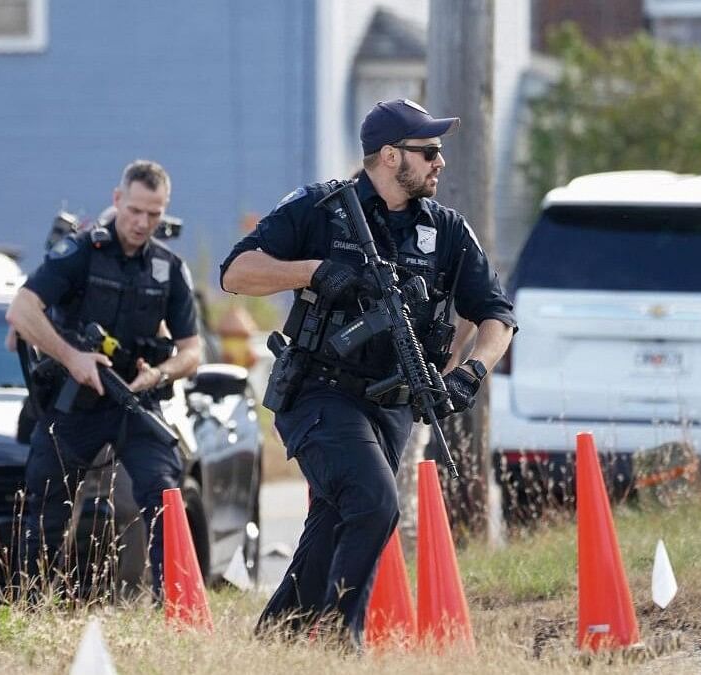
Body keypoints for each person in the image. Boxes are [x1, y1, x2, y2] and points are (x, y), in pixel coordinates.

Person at [219, 99, 516, 645]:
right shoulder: (319, 208)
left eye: (439, 152)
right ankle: (340, 640)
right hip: (318, 393)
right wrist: (314, 271)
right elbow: (236, 273)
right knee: (377, 504)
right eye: (428, 152)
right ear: (388, 156)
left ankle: (274, 644)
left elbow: (496, 314)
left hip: (393, 406)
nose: (439, 162)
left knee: (335, 524)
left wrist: (469, 373)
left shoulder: (446, 230)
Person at [6, 159, 202, 595]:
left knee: (164, 492)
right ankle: (33, 606)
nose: (142, 222)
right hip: (75, 401)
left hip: (134, 398)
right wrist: (73, 357)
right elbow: (21, 311)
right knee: (47, 508)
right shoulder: (79, 254)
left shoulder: (169, 268)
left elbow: (193, 350)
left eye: (154, 214)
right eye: (135, 210)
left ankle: (177, 605)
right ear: (117, 200)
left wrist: (160, 374)